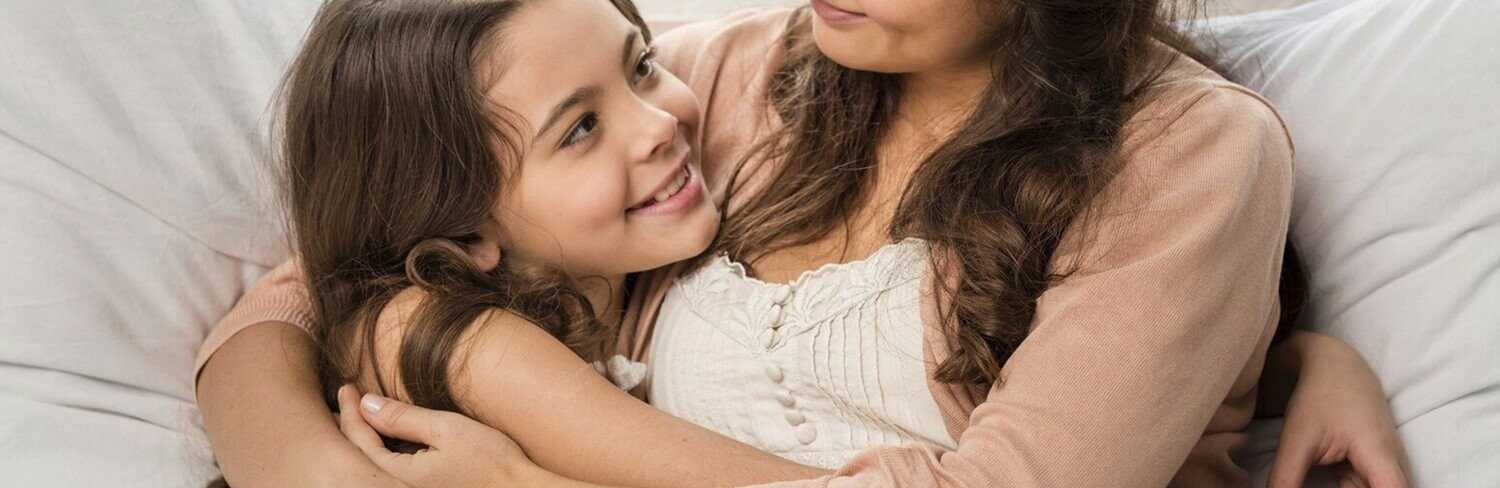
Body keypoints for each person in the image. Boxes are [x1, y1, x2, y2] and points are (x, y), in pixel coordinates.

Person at [196, 0, 1408, 486]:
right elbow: (338, 265)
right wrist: (312, 473)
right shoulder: (727, 81)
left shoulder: (1185, 150)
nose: (643, 113)